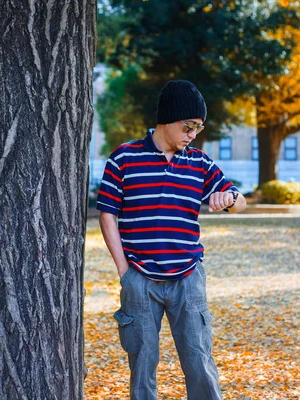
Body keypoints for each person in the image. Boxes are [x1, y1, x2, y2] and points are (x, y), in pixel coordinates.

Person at [97, 80, 246, 400]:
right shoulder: (123, 158)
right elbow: (107, 214)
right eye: (189, 126)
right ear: (167, 119)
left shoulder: (200, 163)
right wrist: (126, 273)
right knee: (142, 365)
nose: (194, 134)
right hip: (139, 278)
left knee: (199, 361)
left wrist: (230, 198)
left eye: (199, 128)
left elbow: (239, 200)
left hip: (188, 278)